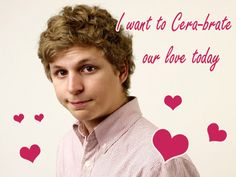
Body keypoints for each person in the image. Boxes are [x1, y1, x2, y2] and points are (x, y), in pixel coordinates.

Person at [38, 4, 200, 177]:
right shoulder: (68, 146)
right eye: (61, 72)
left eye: (88, 69)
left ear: (121, 71)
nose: (73, 87)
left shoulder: (160, 163)